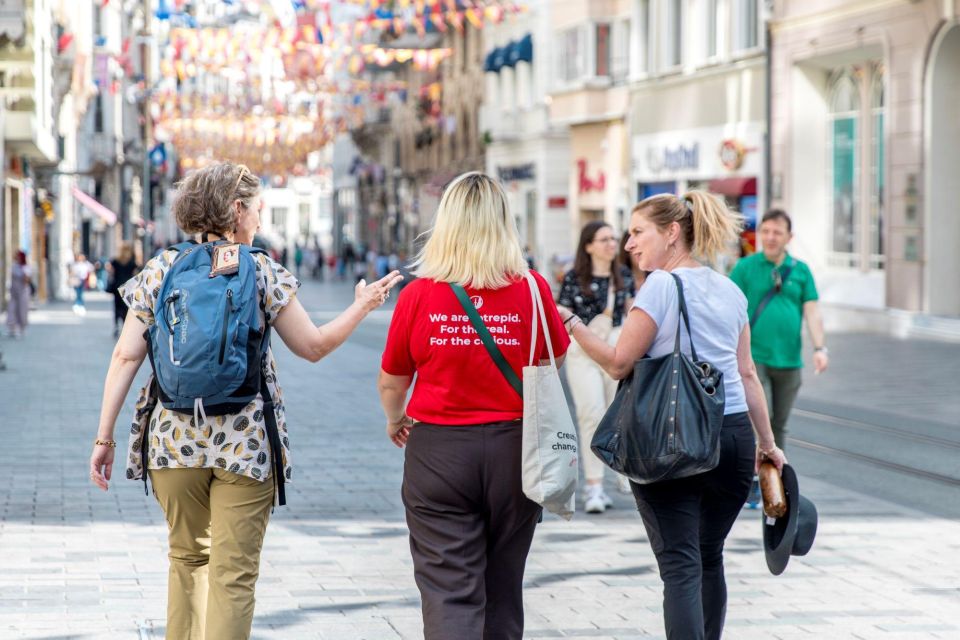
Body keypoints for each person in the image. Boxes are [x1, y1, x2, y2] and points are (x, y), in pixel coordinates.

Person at [88, 161, 402, 640]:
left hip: (172, 440)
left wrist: (104, 436)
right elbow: (313, 347)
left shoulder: (162, 268)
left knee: (186, 560)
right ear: (237, 210)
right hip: (246, 442)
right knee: (233, 576)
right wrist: (361, 305)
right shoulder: (261, 270)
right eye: (257, 208)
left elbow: (125, 356)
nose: (260, 219)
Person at [558, 191, 786, 640]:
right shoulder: (730, 289)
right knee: (709, 556)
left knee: (680, 565)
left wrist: (571, 323)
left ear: (672, 233)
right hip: (735, 436)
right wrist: (768, 444)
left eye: (638, 232)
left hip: (675, 437)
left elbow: (619, 362)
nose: (629, 244)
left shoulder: (661, 285)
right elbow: (747, 374)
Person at [378, 172, 569, 640]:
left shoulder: (420, 293)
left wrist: (395, 418)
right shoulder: (532, 289)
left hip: (438, 451)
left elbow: (392, 379)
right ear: (505, 223)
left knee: (448, 589)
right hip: (514, 451)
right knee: (503, 586)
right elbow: (554, 357)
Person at [730, 208, 828, 450]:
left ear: (789, 237)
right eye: (766, 231)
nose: (771, 237)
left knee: (779, 424)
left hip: (789, 360)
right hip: (754, 359)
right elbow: (729, 311)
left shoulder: (801, 270)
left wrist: (820, 348)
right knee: (760, 422)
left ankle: (775, 480)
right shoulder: (745, 267)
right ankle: (755, 479)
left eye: (777, 232)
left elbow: (812, 311)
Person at [556, 221, 634, 513]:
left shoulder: (623, 275)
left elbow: (633, 313)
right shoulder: (575, 277)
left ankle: (621, 472)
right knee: (590, 415)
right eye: (604, 239)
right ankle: (594, 486)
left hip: (615, 348)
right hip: (583, 351)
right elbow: (562, 316)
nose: (611, 244)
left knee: (617, 415)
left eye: (613, 239)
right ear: (588, 245)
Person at [106, 243, 139, 338]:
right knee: (126, 307)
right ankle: (125, 326)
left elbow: (110, 270)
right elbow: (136, 273)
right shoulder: (132, 262)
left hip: (117, 286)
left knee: (116, 307)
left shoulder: (115, 261)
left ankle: (116, 325)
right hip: (128, 287)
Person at [6, 250, 31, 338]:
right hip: (14, 291)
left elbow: (26, 281)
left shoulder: (26, 267)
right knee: (12, 309)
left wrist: (24, 274)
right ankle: (12, 328)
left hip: (23, 292)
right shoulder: (14, 266)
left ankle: (21, 328)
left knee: (22, 310)